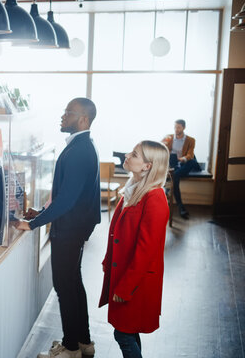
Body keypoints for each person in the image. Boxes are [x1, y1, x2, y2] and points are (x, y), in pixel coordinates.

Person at [15, 98, 101, 358]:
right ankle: (84, 342)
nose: (62, 117)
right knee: (73, 284)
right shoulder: (83, 146)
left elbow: (66, 199)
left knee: (64, 286)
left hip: (71, 228)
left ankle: (71, 348)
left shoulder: (79, 150)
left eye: (68, 113)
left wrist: (32, 223)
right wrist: (42, 213)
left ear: (83, 119)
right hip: (76, 226)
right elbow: (66, 194)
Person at [99, 140, 170, 358]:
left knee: (123, 334)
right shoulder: (135, 189)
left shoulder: (155, 198)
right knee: (128, 330)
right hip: (125, 273)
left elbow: (146, 250)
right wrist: (107, 260)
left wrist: (126, 286)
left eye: (135, 154)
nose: (127, 156)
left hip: (136, 281)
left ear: (147, 166)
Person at [161, 119, 201, 218]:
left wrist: (183, 159)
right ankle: (181, 207)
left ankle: (169, 183)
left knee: (192, 162)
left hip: (185, 163)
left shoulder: (190, 140)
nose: (176, 129)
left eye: (178, 127)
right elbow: (160, 147)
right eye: (175, 127)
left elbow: (190, 154)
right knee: (176, 175)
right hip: (174, 164)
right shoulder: (169, 137)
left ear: (183, 127)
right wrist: (164, 143)